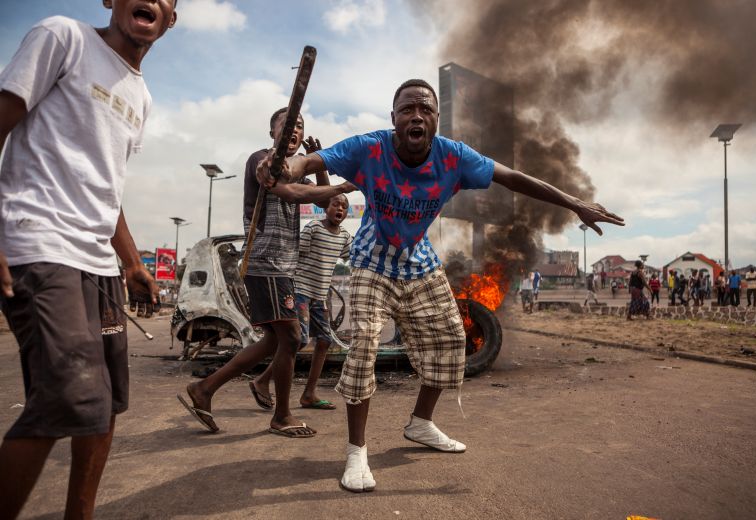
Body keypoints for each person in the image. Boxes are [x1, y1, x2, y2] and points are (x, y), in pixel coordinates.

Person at [259, 79, 623, 492]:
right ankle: (356, 452)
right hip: (371, 259)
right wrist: (279, 166)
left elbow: (514, 178)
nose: (416, 115)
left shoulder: (455, 157)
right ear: (393, 118)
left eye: (425, 109)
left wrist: (575, 203)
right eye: (407, 109)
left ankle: (420, 423)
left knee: (452, 340)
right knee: (364, 344)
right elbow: (305, 165)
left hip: (418, 260)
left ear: (436, 118)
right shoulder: (369, 148)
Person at [0, 2, 176, 518]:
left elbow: (105, 186)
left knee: (106, 402)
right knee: (68, 395)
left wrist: (132, 262)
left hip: (98, 264)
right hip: (37, 239)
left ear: (170, 18)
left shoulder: (141, 95)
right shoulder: (63, 37)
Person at [177, 108, 355, 437]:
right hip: (267, 260)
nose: (293, 130)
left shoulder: (297, 165)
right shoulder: (262, 161)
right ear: (272, 132)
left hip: (283, 265)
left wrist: (320, 164)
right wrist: (345, 186)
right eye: (286, 125)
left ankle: (206, 388)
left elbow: (319, 201)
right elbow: (293, 193)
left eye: (299, 126)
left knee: (276, 339)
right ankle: (282, 416)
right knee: (291, 337)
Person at [250, 194, 353, 410]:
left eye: (344, 207)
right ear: (326, 207)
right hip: (301, 291)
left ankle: (309, 394)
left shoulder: (344, 236)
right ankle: (262, 380)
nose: (340, 209)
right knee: (298, 341)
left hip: (319, 295)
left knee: (324, 339)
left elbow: (353, 255)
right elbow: (295, 254)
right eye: (335, 204)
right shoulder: (313, 227)